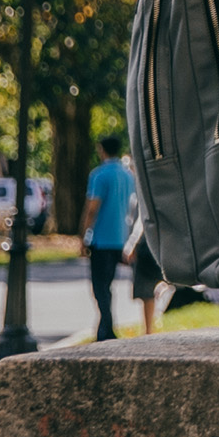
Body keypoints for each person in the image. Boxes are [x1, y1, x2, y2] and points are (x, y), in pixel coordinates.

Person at [79, 136, 138, 342]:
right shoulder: (128, 176)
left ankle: (107, 327)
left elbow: (92, 208)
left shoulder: (99, 175)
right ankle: (104, 328)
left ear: (101, 150)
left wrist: (83, 235)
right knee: (108, 284)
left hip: (101, 238)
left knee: (99, 287)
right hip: (121, 237)